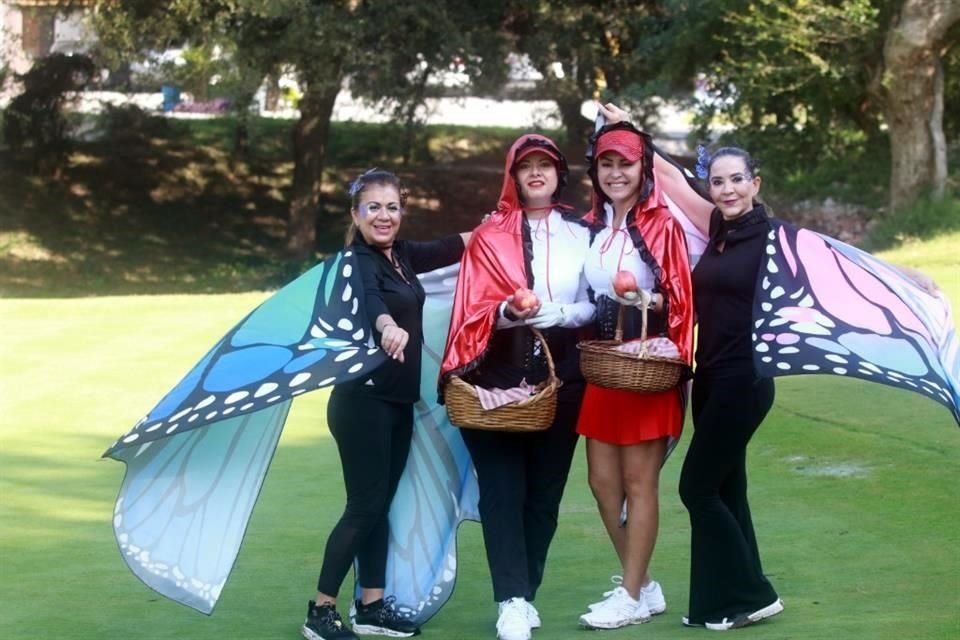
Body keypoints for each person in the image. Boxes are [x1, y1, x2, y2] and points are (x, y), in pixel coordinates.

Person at [438, 135, 596, 640]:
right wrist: (509, 312)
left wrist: (562, 313)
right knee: (502, 492)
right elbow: (471, 307)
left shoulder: (583, 235)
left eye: (544, 166)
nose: (535, 173)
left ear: (558, 175)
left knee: (544, 493)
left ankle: (524, 593)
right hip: (495, 374)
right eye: (525, 166)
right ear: (512, 175)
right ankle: (510, 600)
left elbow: (595, 303)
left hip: (564, 375)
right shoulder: (489, 235)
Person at [302, 169, 470, 640]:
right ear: (356, 214)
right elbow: (372, 301)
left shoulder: (402, 256)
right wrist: (386, 326)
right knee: (364, 505)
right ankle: (320, 611)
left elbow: (454, 245)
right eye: (373, 206)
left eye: (392, 207)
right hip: (361, 402)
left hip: (397, 402)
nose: (384, 215)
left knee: (380, 505)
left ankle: (371, 607)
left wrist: (504, 224)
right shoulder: (356, 261)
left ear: (402, 211)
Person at [574, 118, 696, 629]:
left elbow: (680, 294)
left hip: (647, 363)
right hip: (605, 365)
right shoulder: (592, 226)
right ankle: (643, 585)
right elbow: (585, 300)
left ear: (643, 167)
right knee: (602, 483)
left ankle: (629, 595)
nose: (616, 173)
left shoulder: (662, 223)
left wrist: (644, 298)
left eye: (626, 163)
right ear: (596, 169)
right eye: (607, 163)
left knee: (638, 482)